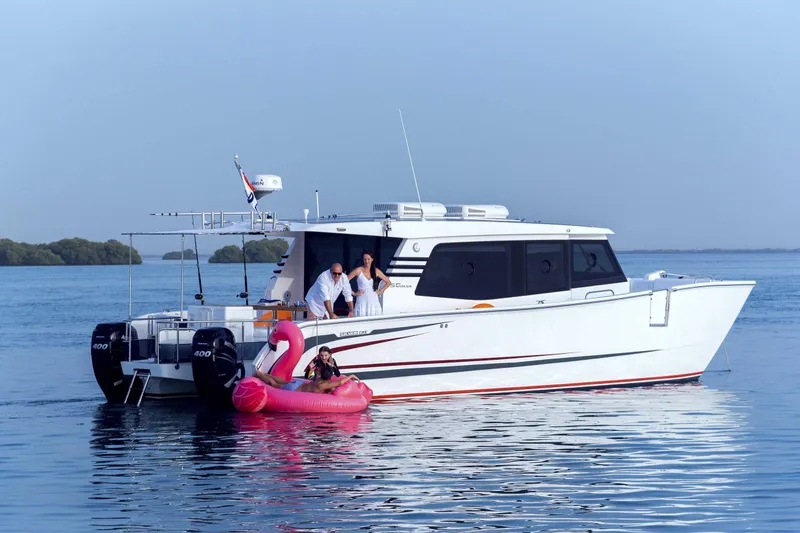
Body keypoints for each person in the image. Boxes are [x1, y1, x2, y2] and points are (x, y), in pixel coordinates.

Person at [253, 365, 358, 394]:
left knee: (281, 381)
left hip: (300, 382)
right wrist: (351, 376)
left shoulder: (319, 378)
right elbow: (339, 382)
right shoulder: (322, 385)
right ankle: (258, 374)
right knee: (275, 385)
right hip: (296, 388)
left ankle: (265, 374)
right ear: (330, 377)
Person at [347, 251, 391, 317]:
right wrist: (354, 293)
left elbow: (388, 282)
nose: (366, 261)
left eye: (368, 259)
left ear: (372, 259)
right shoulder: (358, 270)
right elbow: (344, 282)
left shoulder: (376, 271)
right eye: (365, 259)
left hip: (374, 301)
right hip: (361, 301)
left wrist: (380, 291)